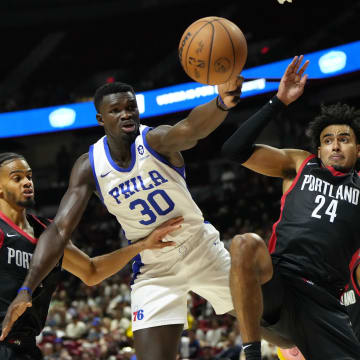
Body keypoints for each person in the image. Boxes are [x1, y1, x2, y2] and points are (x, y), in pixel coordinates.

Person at [1, 75, 244, 360]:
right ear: (101, 118)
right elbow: (61, 231)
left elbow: (189, 129)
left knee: (266, 323)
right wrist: (26, 288)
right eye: (17, 178)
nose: (126, 113)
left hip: (198, 247)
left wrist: (221, 102)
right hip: (155, 267)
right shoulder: (87, 167)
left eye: (29, 176)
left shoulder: (154, 139)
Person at [222, 55, 360, 359]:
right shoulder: (300, 163)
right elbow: (233, 150)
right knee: (244, 244)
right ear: (319, 147)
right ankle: (252, 352)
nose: (335, 145)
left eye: (345, 139)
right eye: (328, 140)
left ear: (357, 148)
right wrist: (279, 101)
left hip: (324, 300)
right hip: (280, 281)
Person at [0, 152, 183, 359]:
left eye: (29, 177)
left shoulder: (48, 233)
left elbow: (92, 271)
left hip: (26, 347)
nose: (26, 182)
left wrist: (142, 245)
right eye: (17, 178)